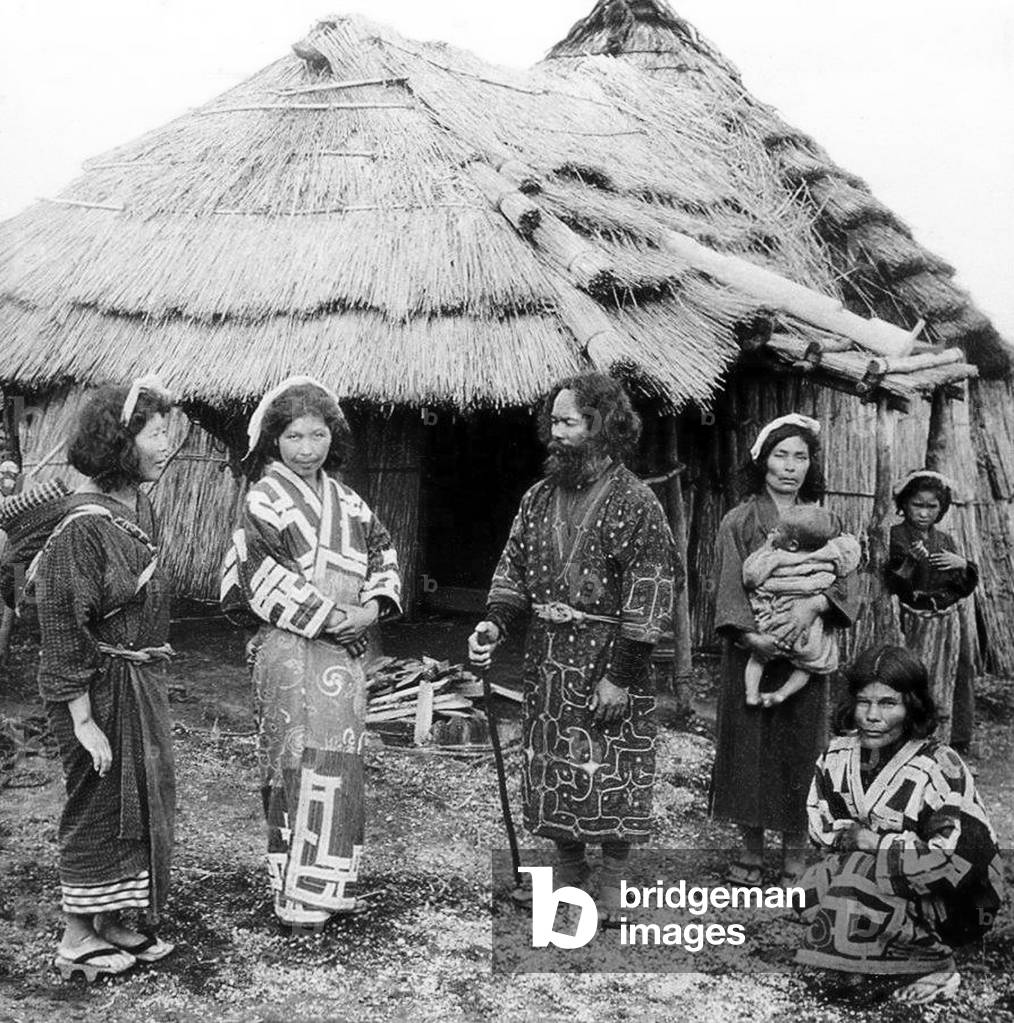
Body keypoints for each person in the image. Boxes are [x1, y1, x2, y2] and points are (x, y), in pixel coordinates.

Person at [468, 372, 676, 922]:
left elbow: (651, 591)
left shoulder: (636, 502)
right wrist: (495, 624)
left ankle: (613, 880)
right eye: (553, 422)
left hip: (610, 661)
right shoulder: (537, 498)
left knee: (613, 768)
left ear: (602, 426)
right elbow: (513, 569)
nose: (555, 433)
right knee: (553, 763)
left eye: (568, 423)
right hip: (549, 662)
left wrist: (621, 675)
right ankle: (567, 869)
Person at [220, 376, 401, 929]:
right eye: (294, 436)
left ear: (333, 437)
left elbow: (384, 555)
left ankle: (331, 885)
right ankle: (294, 894)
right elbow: (259, 576)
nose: (306, 448)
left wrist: (369, 610)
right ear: (274, 440)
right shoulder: (263, 499)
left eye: (318, 435)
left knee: (339, 761)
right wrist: (334, 619)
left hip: (342, 657)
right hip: (287, 648)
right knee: (291, 759)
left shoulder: (350, 502)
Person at [32, 378, 176, 980]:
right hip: (93, 686)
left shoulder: (134, 507)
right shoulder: (82, 527)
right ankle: (75, 933)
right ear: (120, 442)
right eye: (155, 433)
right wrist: (84, 721)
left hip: (132, 679)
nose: (166, 444)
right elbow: (63, 626)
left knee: (132, 801)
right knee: (96, 800)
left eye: (167, 432)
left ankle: (111, 918)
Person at [796, 645, 1003, 1006]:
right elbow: (821, 828)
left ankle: (936, 963)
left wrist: (875, 843)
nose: (872, 716)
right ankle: (874, 954)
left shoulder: (939, 764)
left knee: (858, 875)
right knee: (809, 888)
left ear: (911, 706)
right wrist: (860, 844)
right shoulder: (837, 756)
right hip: (884, 875)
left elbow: (955, 858)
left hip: (959, 898)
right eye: (864, 702)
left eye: (888, 703)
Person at [710, 413, 860, 886]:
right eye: (781, 455)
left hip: (807, 651)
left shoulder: (825, 522)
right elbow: (728, 583)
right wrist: (750, 636)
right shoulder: (739, 521)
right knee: (749, 747)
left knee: (801, 748)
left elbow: (850, 578)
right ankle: (751, 851)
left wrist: (816, 603)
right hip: (752, 650)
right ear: (763, 461)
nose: (791, 466)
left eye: (801, 456)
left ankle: (796, 852)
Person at [886, 470, 978, 749]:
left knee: (950, 675)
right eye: (917, 505)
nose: (924, 513)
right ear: (904, 504)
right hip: (910, 620)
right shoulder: (895, 536)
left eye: (932, 506)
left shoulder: (946, 541)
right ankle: (907, 738)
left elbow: (962, 587)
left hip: (946, 620)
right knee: (914, 676)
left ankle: (945, 741)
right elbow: (893, 583)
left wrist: (963, 565)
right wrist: (910, 563)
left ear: (941, 508)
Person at [742, 505, 860, 708]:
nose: (774, 532)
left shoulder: (777, 558)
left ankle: (751, 693)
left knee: (758, 659)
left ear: (793, 545)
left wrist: (765, 548)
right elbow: (851, 559)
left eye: (778, 530)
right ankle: (782, 694)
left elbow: (751, 577)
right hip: (810, 632)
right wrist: (848, 541)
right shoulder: (830, 557)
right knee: (808, 667)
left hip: (777, 622)